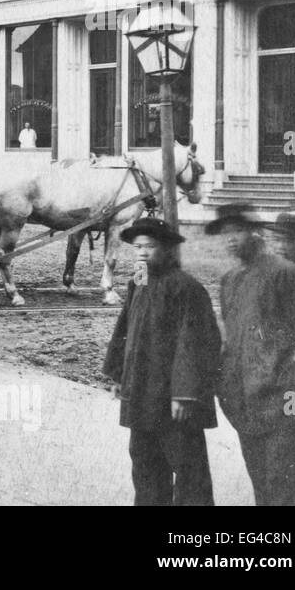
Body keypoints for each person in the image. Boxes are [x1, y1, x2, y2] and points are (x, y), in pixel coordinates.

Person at [207, 203, 295, 506]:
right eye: (225, 233)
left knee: (288, 482)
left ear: (255, 232)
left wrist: (292, 397)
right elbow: (233, 339)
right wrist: (226, 388)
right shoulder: (229, 281)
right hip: (246, 403)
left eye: (238, 231)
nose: (231, 239)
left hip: (282, 401)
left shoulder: (287, 273)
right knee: (262, 486)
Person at [103, 217, 222, 506]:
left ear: (167, 249)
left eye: (150, 246)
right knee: (145, 466)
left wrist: (184, 393)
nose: (142, 253)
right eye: (137, 247)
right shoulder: (138, 282)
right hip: (142, 392)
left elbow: (193, 343)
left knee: (188, 469)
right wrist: (120, 375)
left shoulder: (186, 288)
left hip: (173, 398)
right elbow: (126, 330)